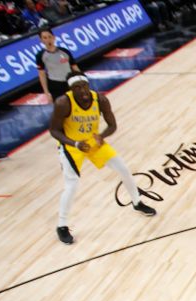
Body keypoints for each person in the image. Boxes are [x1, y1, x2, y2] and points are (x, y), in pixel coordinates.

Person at [49, 73, 156, 245]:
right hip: (72, 146)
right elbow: (54, 131)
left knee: (123, 169)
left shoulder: (100, 100)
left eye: (84, 85)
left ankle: (137, 202)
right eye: (77, 88)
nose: (82, 90)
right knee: (72, 185)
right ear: (71, 90)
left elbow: (112, 125)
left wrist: (102, 135)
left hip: (94, 141)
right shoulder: (63, 103)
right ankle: (62, 225)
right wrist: (74, 143)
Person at [36, 28, 80, 102]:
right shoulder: (40, 55)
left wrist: (82, 81)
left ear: (54, 37)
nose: (48, 40)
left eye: (49, 37)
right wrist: (46, 93)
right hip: (55, 85)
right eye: (45, 38)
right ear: (41, 40)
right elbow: (42, 75)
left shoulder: (65, 51)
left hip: (70, 82)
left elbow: (75, 67)